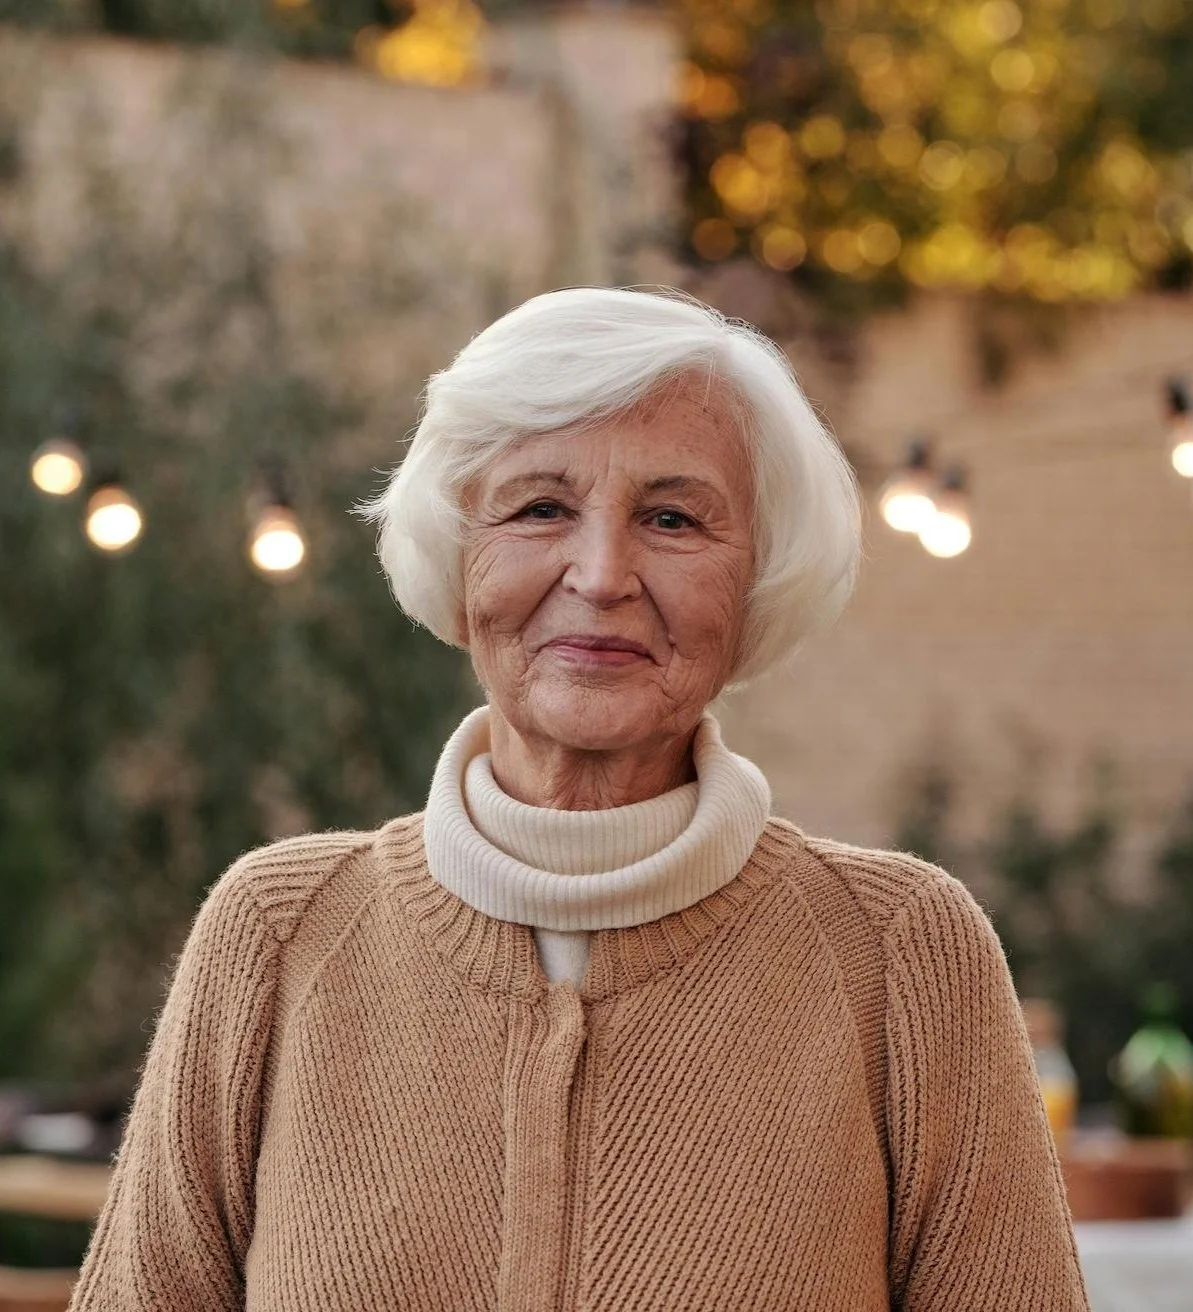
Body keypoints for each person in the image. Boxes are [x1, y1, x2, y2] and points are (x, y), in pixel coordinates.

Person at [69, 287, 1089, 1311]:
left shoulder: (900, 952)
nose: (600, 574)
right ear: (460, 555)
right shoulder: (279, 932)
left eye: (672, 517)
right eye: (539, 507)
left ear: (756, 580)